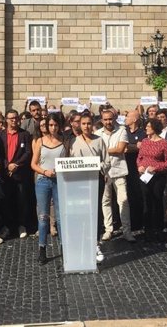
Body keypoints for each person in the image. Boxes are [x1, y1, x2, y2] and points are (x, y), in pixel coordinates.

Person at [69, 112, 108, 263]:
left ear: (93, 125)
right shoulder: (73, 141)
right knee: (81, 211)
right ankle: (81, 242)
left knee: (95, 211)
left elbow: (107, 161)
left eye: (88, 123)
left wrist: (98, 167)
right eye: (83, 123)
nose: (86, 126)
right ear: (79, 124)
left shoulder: (99, 141)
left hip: (95, 179)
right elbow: (69, 161)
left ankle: (95, 243)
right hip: (79, 181)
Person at [31, 114, 66, 264]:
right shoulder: (40, 141)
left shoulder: (65, 141)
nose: (53, 128)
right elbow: (33, 163)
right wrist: (44, 172)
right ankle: (42, 249)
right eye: (50, 125)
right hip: (43, 180)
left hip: (60, 181)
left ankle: (64, 248)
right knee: (43, 216)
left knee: (60, 216)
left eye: (55, 125)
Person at [96, 109, 133, 242]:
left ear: (114, 118)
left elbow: (120, 149)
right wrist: (108, 151)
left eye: (110, 119)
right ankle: (108, 230)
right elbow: (97, 153)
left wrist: (104, 151)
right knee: (105, 201)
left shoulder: (122, 130)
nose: (108, 122)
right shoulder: (97, 134)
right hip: (104, 172)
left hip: (119, 171)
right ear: (101, 120)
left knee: (123, 201)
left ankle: (127, 231)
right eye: (105, 119)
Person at [0, 109, 32, 239]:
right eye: (11, 118)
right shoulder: (0, 135)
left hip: (19, 173)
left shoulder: (25, 134)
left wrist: (16, 164)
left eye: (15, 118)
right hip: (5, 175)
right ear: (6, 120)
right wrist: (7, 165)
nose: (13, 120)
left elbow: (28, 152)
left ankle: (21, 225)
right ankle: (8, 226)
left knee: (21, 200)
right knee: (6, 202)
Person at [137, 118, 167, 242]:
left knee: (157, 202)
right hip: (144, 176)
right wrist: (139, 166)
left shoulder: (164, 143)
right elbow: (140, 157)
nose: (146, 128)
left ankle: (159, 229)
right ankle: (147, 229)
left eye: (148, 126)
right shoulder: (145, 142)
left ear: (154, 128)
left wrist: (156, 167)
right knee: (146, 202)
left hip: (157, 177)